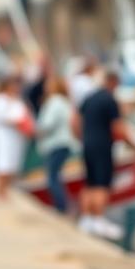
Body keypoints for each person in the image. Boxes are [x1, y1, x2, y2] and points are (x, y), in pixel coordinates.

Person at [75, 69, 135, 239]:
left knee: (89, 182)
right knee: (102, 184)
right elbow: (118, 128)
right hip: (102, 146)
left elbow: (75, 120)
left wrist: (81, 137)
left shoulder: (89, 98)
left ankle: (86, 219)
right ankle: (98, 220)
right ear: (114, 82)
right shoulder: (109, 100)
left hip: (87, 144)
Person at [36, 76, 77, 213]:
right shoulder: (65, 102)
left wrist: (36, 130)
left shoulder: (54, 102)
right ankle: (63, 204)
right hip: (64, 143)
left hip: (55, 144)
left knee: (52, 177)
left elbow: (48, 124)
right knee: (56, 176)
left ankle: (61, 207)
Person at [0, 74, 31, 201]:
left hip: (16, 138)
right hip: (3, 136)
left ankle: (5, 191)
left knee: (12, 165)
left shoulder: (19, 100)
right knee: (2, 163)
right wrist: (16, 122)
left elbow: (25, 116)